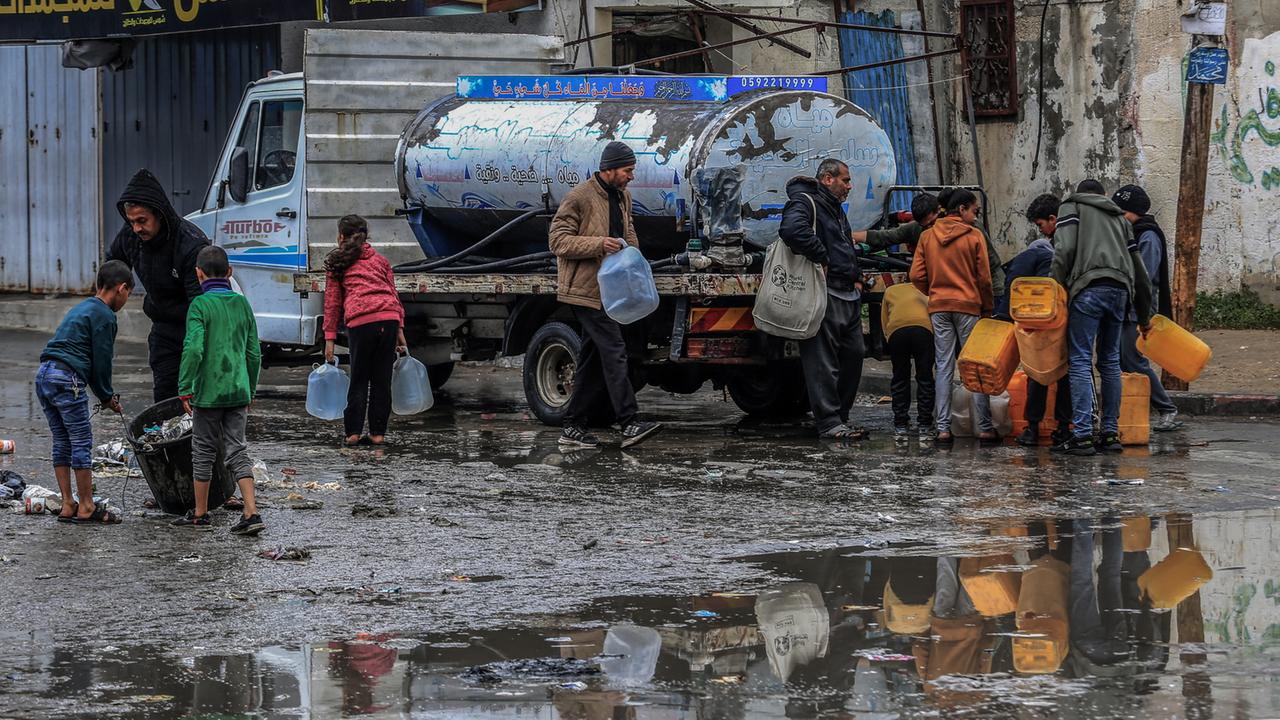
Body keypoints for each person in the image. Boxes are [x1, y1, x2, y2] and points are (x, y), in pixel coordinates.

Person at [549, 141, 661, 449]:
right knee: (614, 350)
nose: (631, 177)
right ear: (609, 169)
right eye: (627, 170)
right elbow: (558, 241)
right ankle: (629, 422)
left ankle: (572, 427)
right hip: (585, 292)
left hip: (611, 292)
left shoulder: (622, 195)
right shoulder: (579, 197)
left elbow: (629, 231)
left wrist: (634, 257)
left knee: (592, 359)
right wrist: (600, 244)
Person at [1050, 180, 1154, 456]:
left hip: (1088, 288)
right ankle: (1109, 433)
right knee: (1109, 361)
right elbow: (1139, 268)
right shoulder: (1120, 219)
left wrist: (1054, 288)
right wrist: (1145, 316)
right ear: (1103, 196)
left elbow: (1064, 250)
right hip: (1121, 291)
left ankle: (1083, 434)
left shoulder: (1072, 207)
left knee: (1080, 360)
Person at [172, 245, 264, 535]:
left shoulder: (199, 306)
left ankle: (200, 513)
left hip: (208, 392)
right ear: (230, 273)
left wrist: (185, 387)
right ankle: (251, 511)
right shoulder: (243, 304)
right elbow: (254, 353)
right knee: (237, 449)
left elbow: (194, 348)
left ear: (198, 274)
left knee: (203, 450)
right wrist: (250, 388)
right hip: (238, 389)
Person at [36, 261, 132, 524]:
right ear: (121, 289)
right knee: (80, 440)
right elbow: (101, 362)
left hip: (45, 374)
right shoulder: (105, 315)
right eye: (128, 295)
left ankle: (68, 503)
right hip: (68, 378)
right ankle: (87, 506)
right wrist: (106, 396)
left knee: (61, 439)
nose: (125, 301)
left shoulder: (82, 307)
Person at [779, 158, 867, 440]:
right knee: (823, 361)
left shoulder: (835, 209)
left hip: (847, 292)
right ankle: (829, 423)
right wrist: (822, 257)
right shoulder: (806, 203)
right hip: (824, 292)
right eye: (845, 180)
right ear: (828, 179)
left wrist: (856, 274)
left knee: (853, 355)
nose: (849, 186)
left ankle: (840, 418)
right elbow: (792, 231)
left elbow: (844, 244)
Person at [106, 168, 210, 402]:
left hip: (192, 329)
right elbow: (112, 268)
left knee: (195, 400)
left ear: (159, 214)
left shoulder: (191, 244)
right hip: (162, 328)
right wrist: (103, 309)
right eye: (131, 222)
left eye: (142, 221)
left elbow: (201, 306)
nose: (136, 228)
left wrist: (196, 350)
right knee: (165, 397)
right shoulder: (131, 235)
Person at [909, 189, 997, 444]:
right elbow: (984, 279)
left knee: (944, 365)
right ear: (962, 209)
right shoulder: (974, 236)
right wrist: (987, 307)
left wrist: (934, 292)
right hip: (969, 306)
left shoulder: (927, 236)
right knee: (974, 365)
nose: (975, 216)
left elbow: (916, 275)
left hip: (939, 307)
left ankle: (943, 428)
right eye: (974, 211)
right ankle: (985, 427)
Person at [323, 215, 407, 446]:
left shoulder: (338, 262)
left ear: (341, 236)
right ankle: (378, 434)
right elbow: (393, 294)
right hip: (388, 319)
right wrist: (400, 330)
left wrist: (329, 338)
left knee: (359, 379)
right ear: (365, 235)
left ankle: (353, 434)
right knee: (382, 380)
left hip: (361, 322)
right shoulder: (380, 261)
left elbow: (332, 303)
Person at [1001, 194, 1073, 447]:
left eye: (1041, 225)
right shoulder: (1069, 239)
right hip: (1063, 316)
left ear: (1053, 219)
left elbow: (1015, 279)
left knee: (1037, 371)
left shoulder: (1047, 247)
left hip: (1040, 318)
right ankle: (1063, 428)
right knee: (1064, 371)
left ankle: (1033, 427)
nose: (1040, 231)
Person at [1112, 184, 1181, 431]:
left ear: (1134, 212)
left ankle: (1167, 409)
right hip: (1124, 305)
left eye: (1122, 212)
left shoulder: (1147, 236)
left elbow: (1145, 275)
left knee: (1132, 360)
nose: (1119, 217)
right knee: (1119, 360)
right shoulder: (1131, 233)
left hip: (1137, 307)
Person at [881, 279, 934, 441]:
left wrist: (889, 338)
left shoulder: (891, 290)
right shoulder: (929, 290)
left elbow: (884, 320)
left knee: (900, 376)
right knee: (925, 376)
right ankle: (925, 424)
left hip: (897, 331)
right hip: (924, 330)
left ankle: (900, 424)